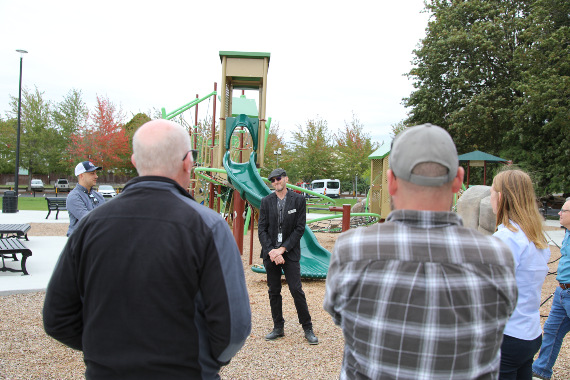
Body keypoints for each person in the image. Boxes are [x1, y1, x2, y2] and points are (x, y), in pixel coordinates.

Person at [43, 120, 251, 380]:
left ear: (134, 161)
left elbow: (57, 318)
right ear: (188, 162)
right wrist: (206, 362)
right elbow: (234, 326)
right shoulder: (208, 226)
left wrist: (107, 351)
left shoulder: (90, 226)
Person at [323, 123, 518, 380]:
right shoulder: (497, 257)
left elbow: (340, 315)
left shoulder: (352, 250)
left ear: (391, 181)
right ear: (458, 180)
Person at [490, 170, 551, 380]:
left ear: (499, 197)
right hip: (530, 331)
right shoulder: (535, 237)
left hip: (507, 334)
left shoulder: (506, 237)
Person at [258, 168, 318, 345]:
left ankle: (307, 328)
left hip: (289, 253)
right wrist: (272, 251)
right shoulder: (266, 201)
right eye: (272, 180)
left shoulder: (298, 200)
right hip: (271, 254)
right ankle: (278, 327)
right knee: (273, 291)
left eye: (278, 179)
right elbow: (261, 229)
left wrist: (282, 249)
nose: (275, 182)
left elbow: (300, 228)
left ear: (286, 178)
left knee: (296, 290)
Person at [532, 200, 570, 380]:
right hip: (562, 292)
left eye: (564, 210)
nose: (560, 213)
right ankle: (540, 370)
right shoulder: (567, 233)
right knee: (552, 330)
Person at [66, 161, 105, 236]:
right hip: (79, 242)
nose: (96, 176)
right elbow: (88, 220)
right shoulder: (74, 197)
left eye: (96, 173)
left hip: (95, 240)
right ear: (81, 176)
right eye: (92, 173)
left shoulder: (98, 196)